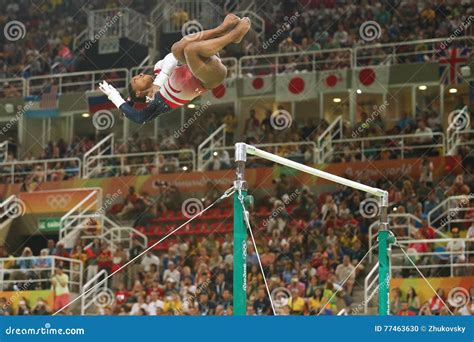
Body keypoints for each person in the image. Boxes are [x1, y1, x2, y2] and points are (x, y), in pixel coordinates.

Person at [99, 15, 251, 124]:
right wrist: (115, 97)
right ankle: (232, 36)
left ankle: (221, 30)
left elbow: (173, 57)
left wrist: (159, 82)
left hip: (206, 54)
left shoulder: (158, 69)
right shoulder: (156, 103)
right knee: (190, 49)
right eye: (135, 80)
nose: (139, 74)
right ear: (138, 92)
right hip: (210, 76)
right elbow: (139, 118)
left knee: (177, 48)